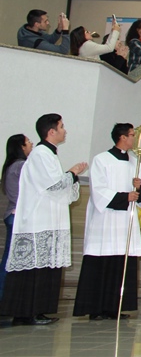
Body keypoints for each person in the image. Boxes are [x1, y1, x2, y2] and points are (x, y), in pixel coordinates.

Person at [0, 114, 87, 325]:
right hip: (38, 222)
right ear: (51, 131)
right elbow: (54, 185)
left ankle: (38, 311)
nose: (65, 130)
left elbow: (60, 188)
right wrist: (72, 173)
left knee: (45, 268)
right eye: (62, 127)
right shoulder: (40, 154)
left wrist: (71, 177)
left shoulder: (48, 154)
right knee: (34, 269)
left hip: (48, 221)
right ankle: (27, 313)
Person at [72, 122, 141, 320]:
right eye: (132, 135)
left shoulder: (135, 162)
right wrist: (125, 197)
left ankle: (115, 307)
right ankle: (96, 309)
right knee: (103, 262)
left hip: (124, 222)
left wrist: (138, 188)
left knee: (121, 263)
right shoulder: (101, 160)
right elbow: (98, 190)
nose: (135, 139)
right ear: (122, 137)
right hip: (105, 220)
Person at [1, 133, 32, 300]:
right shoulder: (21, 165)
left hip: (13, 215)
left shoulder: (12, 165)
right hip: (17, 216)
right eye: (28, 142)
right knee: (10, 260)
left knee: (10, 259)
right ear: (21, 147)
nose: (31, 144)